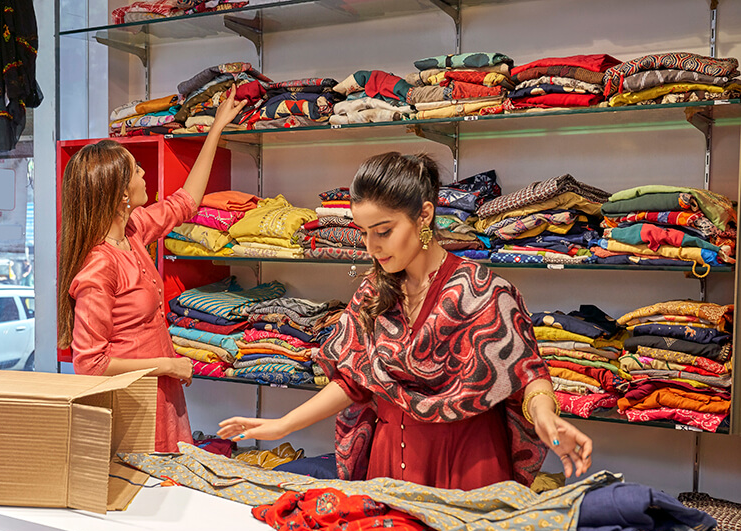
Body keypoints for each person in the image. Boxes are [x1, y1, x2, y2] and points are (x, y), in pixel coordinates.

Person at [218, 152, 593, 490]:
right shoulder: (373, 293)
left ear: (424, 215)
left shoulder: (482, 291)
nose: (372, 247)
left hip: (467, 461)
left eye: (383, 231)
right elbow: (353, 379)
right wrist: (284, 425)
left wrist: (545, 417)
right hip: (388, 462)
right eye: (363, 233)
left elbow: (527, 371)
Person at [57, 85, 247, 453]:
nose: (145, 173)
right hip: (133, 401)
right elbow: (90, 365)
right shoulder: (99, 267)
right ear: (120, 193)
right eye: (135, 169)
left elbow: (186, 201)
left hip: (159, 390)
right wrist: (169, 365)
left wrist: (216, 129)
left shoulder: (134, 230)